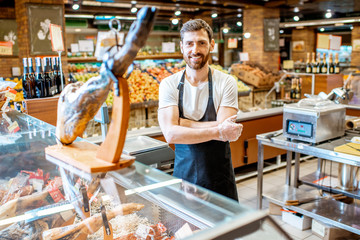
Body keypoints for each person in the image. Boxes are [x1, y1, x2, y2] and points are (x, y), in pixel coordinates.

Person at [158, 19, 243, 201]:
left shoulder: (226, 82)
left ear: (211, 45)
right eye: (189, 43)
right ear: (181, 46)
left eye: (201, 43)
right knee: (186, 228)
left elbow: (226, 132)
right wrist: (218, 129)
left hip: (220, 179)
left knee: (226, 229)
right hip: (184, 177)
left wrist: (184, 124)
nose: (195, 50)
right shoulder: (169, 84)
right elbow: (171, 135)